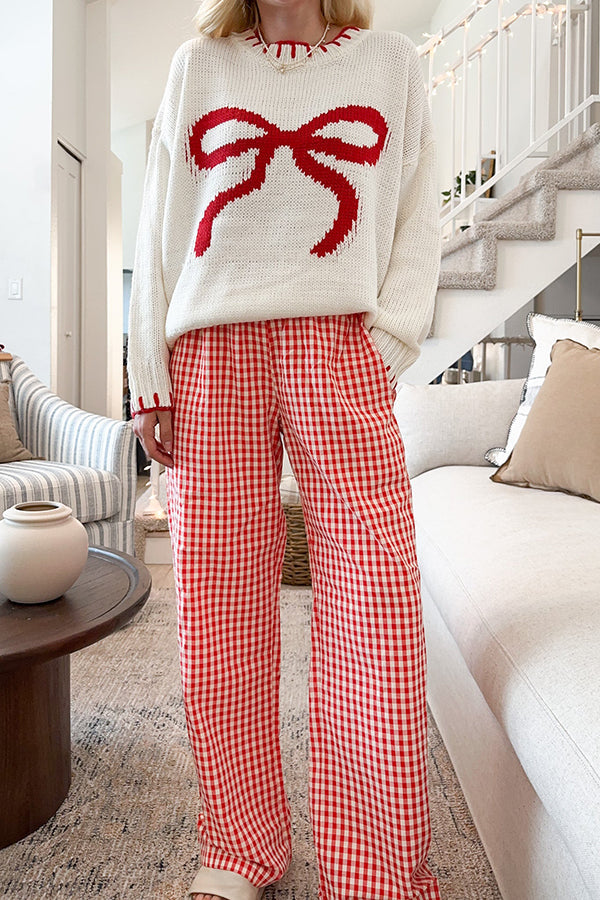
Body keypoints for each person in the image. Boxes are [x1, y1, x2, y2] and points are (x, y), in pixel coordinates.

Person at [128, 0, 442, 896]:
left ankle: (375, 868)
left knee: (376, 599)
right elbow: (160, 219)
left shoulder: (391, 61)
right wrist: (150, 371)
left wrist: (386, 341)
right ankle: (239, 845)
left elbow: (419, 213)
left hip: (338, 344)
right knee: (218, 604)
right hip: (212, 348)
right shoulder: (201, 63)